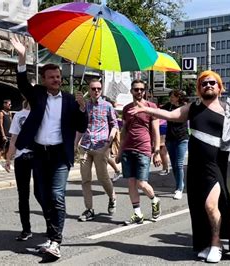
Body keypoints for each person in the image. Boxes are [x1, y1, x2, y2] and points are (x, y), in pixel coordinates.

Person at [128, 71, 230, 263]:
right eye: (203, 83)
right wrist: (147, 110)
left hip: (216, 166)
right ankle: (208, 243)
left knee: (211, 205)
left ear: (219, 87)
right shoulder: (193, 108)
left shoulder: (229, 110)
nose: (208, 85)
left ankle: (217, 245)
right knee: (200, 208)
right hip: (196, 166)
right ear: (199, 89)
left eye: (212, 83)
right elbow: (169, 114)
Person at [11, 36, 88, 260]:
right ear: (43, 80)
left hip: (59, 154)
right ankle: (51, 231)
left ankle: (55, 241)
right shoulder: (36, 95)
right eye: (51, 77)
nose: (56, 80)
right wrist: (23, 56)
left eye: (58, 77)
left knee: (56, 195)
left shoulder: (71, 100)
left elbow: (81, 125)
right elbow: (22, 83)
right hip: (39, 153)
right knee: (42, 194)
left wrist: (83, 109)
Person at [115, 80, 162, 226]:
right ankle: (137, 213)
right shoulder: (127, 108)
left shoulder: (151, 107)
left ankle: (155, 200)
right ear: (131, 91)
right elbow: (124, 131)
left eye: (142, 89)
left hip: (143, 149)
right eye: (136, 89)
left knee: (142, 182)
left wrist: (157, 151)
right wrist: (119, 151)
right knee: (131, 182)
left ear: (145, 91)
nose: (139, 92)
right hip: (128, 149)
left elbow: (156, 130)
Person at [75, 79, 118, 221]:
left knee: (102, 177)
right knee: (85, 180)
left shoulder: (107, 106)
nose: (96, 91)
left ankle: (112, 197)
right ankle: (89, 209)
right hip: (85, 146)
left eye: (99, 88)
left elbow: (114, 125)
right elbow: (80, 125)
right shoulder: (84, 105)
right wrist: (75, 144)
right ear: (89, 89)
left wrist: (109, 141)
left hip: (101, 146)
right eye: (93, 88)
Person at [5, 99, 34, 241]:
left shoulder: (43, 112)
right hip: (22, 156)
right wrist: (8, 158)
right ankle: (26, 229)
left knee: (42, 193)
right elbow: (13, 139)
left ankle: (51, 227)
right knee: (23, 195)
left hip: (39, 155)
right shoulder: (19, 115)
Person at [161, 89, 189, 200]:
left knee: (179, 164)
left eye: (172, 96)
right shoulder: (169, 106)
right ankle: (180, 183)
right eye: (170, 96)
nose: (170, 98)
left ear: (178, 97)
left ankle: (179, 189)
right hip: (170, 139)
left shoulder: (184, 107)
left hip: (182, 138)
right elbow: (158, 110)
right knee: (174, 165)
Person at [0, 99, 12, 170]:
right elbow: (1, 125)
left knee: (8, 149)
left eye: (10, 104)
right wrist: (3, 135)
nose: (10, 106)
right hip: (4, 134)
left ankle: (7, 163)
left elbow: (11, 123)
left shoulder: (10, 113)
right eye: (9, 104)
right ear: (5, 104)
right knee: (1, 148)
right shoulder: (1, 113)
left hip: (9, 133)